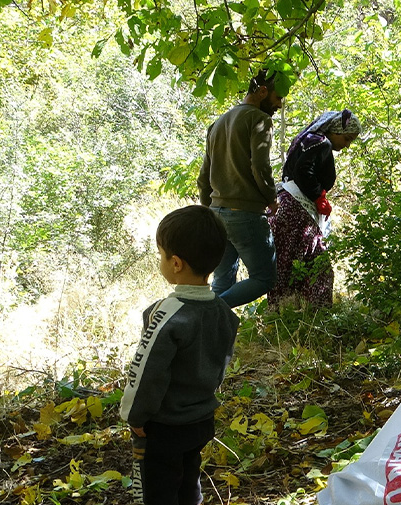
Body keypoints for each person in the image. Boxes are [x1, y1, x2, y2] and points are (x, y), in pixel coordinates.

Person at [120, 205, 240, 505]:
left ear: (176, 263)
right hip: (200, 420)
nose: (160, 260)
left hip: (163, 427)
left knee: (156, 492)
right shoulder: (224, 313)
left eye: (160, 254)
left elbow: (146, 369)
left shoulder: (167, 314)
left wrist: (135, 416)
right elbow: (220, 365)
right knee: (188, 483)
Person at [197, 69, 284, 308]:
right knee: (265, 278)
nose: (279, 105)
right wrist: (271, 198)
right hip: (245, 214)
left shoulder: (218, 123)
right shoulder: (259, 119)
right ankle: (208, 313)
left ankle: (213, 335)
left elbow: (204, 176)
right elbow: (260, 166)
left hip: (218, 212)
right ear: (262, 91)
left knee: (222, 280)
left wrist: (209, 209)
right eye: (277, 98)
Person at [268, 109, 362, 307]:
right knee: (316, 268)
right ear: (335, 131)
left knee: (286, 265)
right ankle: (312, 313)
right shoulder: (321, 143)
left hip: (286, 206)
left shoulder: (309, 139)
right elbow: (304, 171)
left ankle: (281, 312)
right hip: (297, 211)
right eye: (346, 139)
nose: (346, 145)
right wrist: (318, 195)